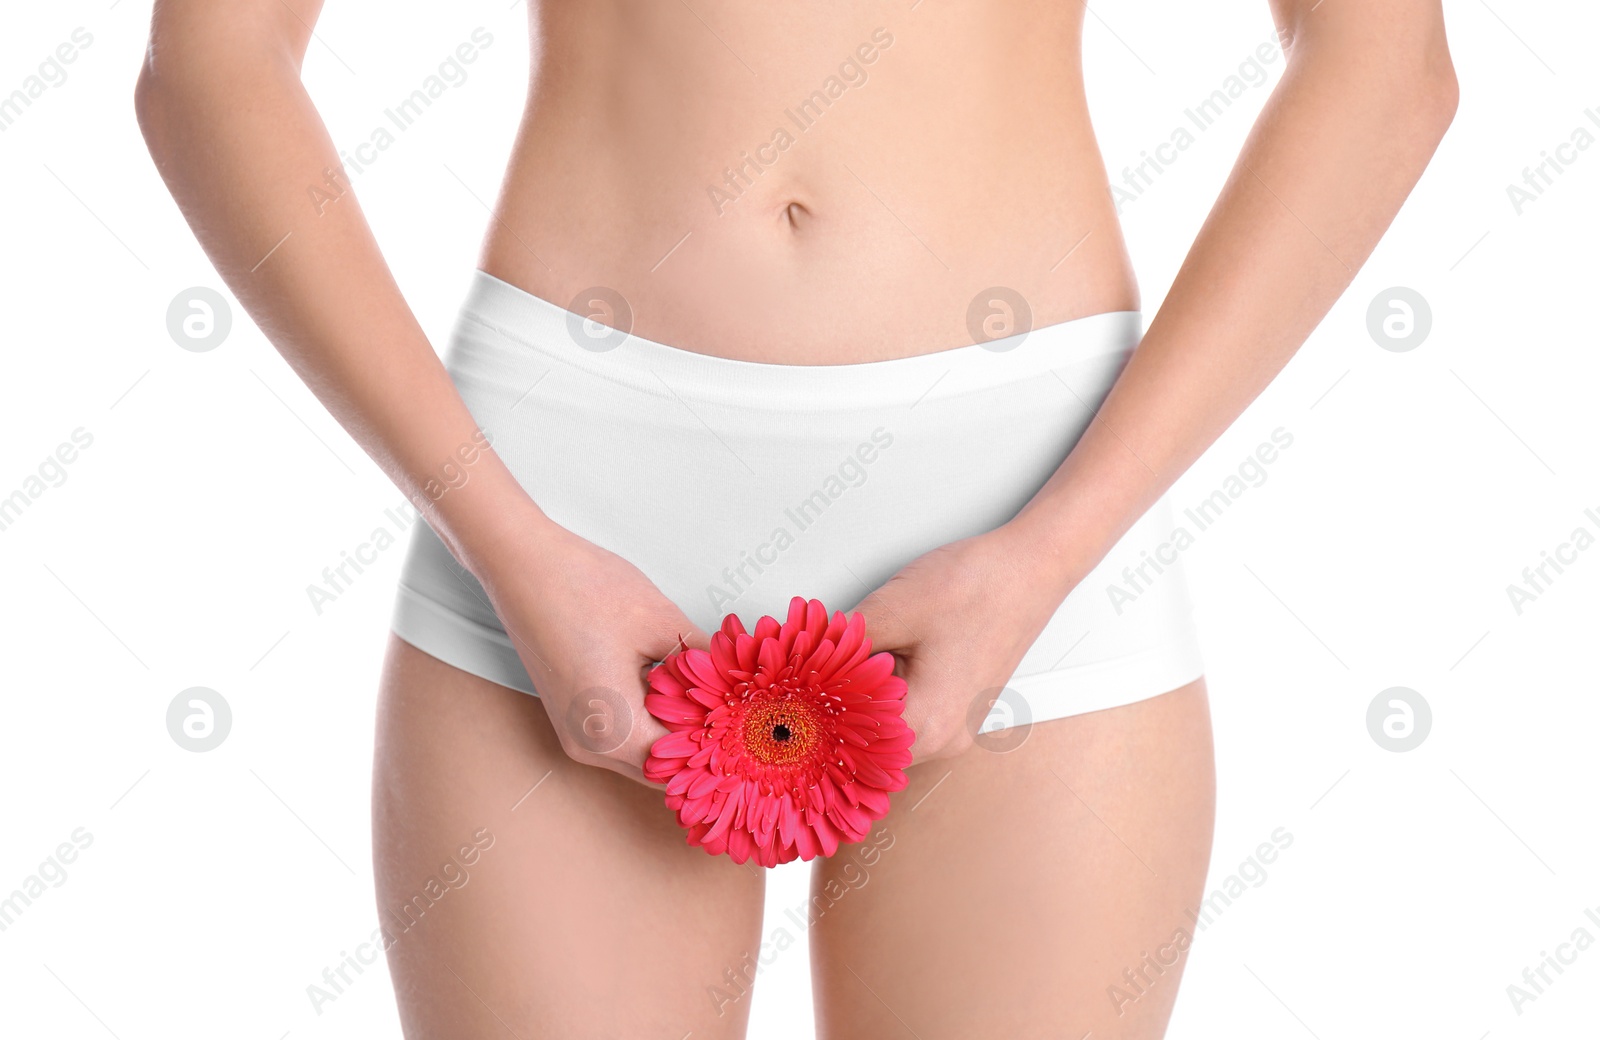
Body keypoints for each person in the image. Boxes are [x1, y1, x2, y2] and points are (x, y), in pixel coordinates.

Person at [135, 2, 1456, 1036]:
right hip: (561, 497)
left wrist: (1053, 548)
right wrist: (509, 544)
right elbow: (212, 55)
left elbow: (1386, 63)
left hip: (1035, 489)